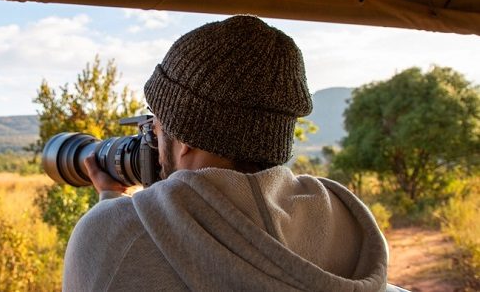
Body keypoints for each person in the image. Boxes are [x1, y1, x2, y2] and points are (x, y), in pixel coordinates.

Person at [62, 16, 389, 291]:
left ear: (186, 135)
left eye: (156, 122)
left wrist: (112, 210)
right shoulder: (349, 225)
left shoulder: (113, 236)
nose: (152, 134)